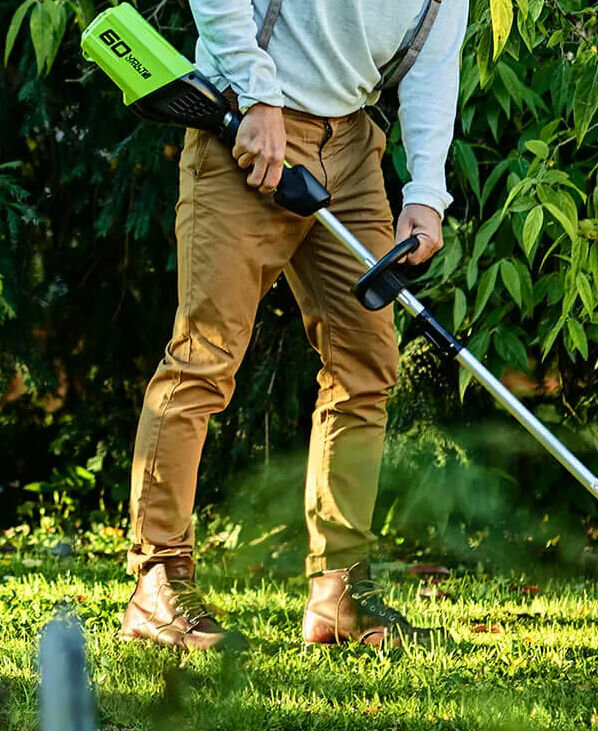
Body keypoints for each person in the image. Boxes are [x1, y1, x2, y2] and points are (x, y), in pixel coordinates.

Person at [118, 0, 469, 650]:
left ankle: (338, 594)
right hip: (247, 132)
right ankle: (156, 580)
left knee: (365, 368)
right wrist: (258, 96)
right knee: (204, 356)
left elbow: (431, 62)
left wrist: (424, 192)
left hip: (353, 148)